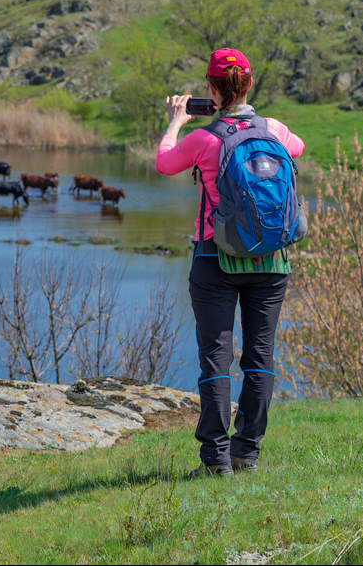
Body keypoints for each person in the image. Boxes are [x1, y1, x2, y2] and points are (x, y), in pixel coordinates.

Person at [155, 48, 305, 477]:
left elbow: (165, 163)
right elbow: (297, 148)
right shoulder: (273, 129)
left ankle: (215, 461)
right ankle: (248, 453)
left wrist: (176, 120)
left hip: (215, 259)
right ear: (249, 84)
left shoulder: (206, 139)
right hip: (271, 261)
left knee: (216, 361)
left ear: (211, 88)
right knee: (260, 358)